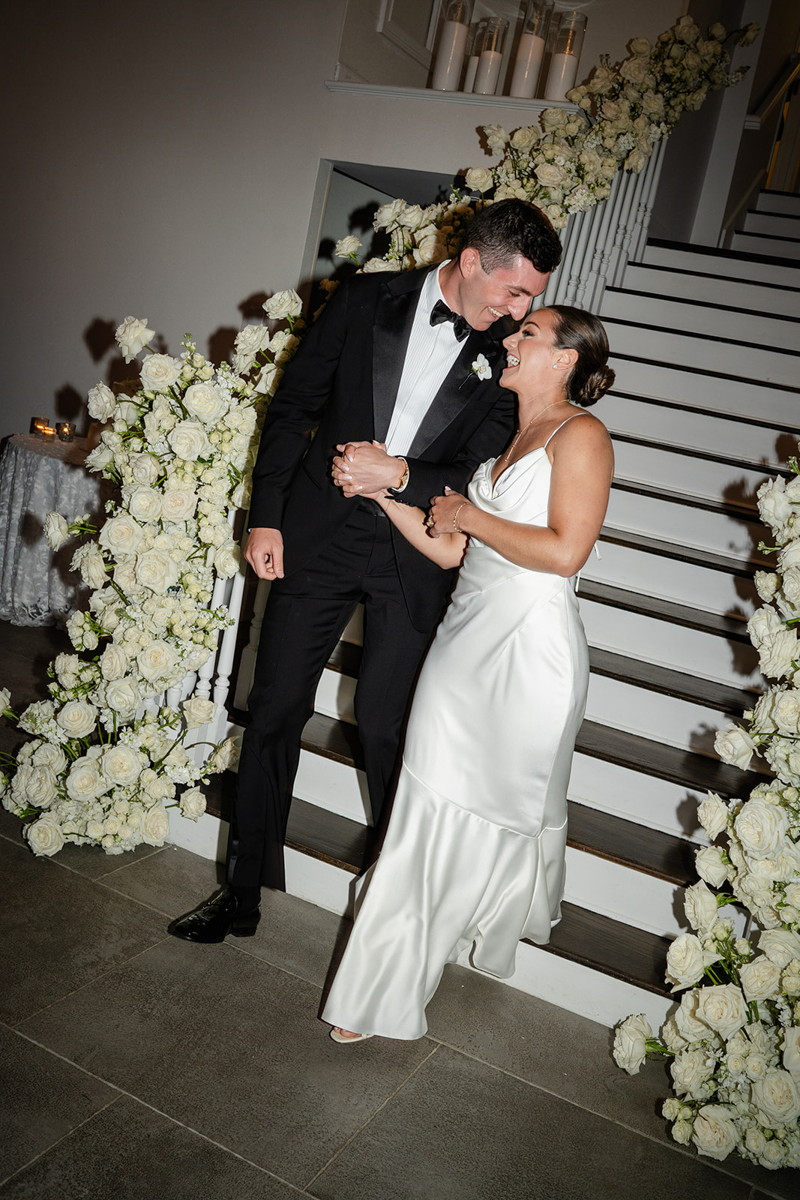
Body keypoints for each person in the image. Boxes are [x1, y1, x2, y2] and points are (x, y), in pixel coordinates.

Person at [170, 199, 563, 944]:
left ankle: (394, 910)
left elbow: (478, 464)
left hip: (412, 553)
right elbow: (293, 408)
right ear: (474, 261)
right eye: (514, 291)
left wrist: (399, 474)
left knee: (386, 729)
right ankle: (241, 892)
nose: (521, 310)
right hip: (315, 538)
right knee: (275, 711)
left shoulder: (506, 347)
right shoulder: (361, 298)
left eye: (531, 300)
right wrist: (265, 517)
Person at [320, 305, 615, 1042]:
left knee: (482, 806)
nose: (511, 342)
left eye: (529, 336)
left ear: (565, 362)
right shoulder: (505, 445)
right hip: (462, 649)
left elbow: (564, 553)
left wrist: (471, 516)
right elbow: (453, 549)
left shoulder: (582, 436)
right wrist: (384, 495)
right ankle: (390, 978)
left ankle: (403, 970)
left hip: (529, 654)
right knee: (425, 803)